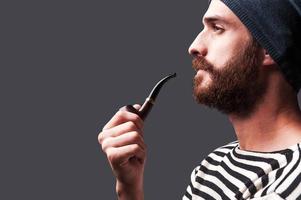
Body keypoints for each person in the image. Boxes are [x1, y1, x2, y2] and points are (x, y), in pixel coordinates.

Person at [98, 0, 301, 199]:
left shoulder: (293, 180)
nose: (194, 46)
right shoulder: (214, 164)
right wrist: (129, 188)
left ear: (268, 47)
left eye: (217, 28)